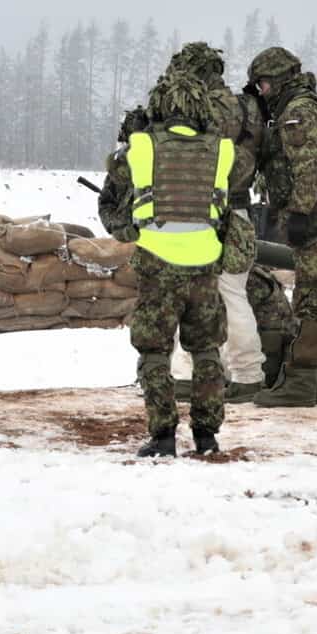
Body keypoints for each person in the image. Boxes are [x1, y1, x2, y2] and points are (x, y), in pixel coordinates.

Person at [96, 62, 234, 457]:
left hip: (157, 263)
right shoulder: (222, 149)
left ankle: (162, 437)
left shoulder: (141, 146)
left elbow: (113, 203)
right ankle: (207, 436)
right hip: (205, 262)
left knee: (155, 352)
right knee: (206, 349)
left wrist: (129, 230)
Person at [245, 46, 317, 407]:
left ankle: (300, 381)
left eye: (262, 84)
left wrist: (299, 213)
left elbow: (310, 165)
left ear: (276, 80)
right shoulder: (314, 104)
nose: (261, 92)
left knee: (310, 296)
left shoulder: (297, 111)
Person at [166, 42, 267, 403]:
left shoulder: (192, 105)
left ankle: (187, 373)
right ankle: (246, 374)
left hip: (199, 209)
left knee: (190, 294)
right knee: (233, 294)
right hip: (238, 208)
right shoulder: (248, 106)